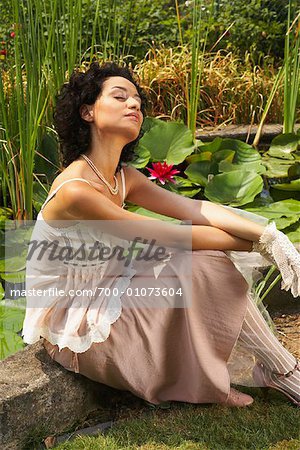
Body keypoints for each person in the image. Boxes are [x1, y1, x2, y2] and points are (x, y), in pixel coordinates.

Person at [22, 62, 300, 408]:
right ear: (87, 112)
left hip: (109, 289)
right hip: (76, 326)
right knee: (197, 261)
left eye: (137, 99)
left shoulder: (124, 177)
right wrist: (257, 245)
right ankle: (281, 373)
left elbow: (195, 210)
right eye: (120, 96)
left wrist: (270, 234)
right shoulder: (75, 190)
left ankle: (278, 370)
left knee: (202, 264)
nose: (134, 105)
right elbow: (169, 236)